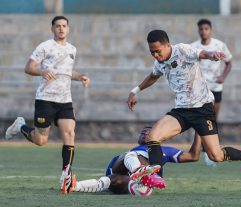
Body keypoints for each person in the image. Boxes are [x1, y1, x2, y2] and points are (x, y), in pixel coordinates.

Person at [127, 30, 241, 179]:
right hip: (182, 110)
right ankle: (156, 178)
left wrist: (213, 55)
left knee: (215, 155)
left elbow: (203, 54)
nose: (156, 56)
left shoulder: (183, 50)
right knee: (153, 136)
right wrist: (135, 91)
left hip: (202, 109)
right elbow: (153, 76)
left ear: (167, 45)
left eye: (158, 51)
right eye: (152, 53)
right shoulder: (159, 63)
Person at [5, 16, 90, 194]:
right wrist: (41, 71)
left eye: (64, 26)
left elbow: (67, 72)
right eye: (58, 26)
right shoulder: (45, 47)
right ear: (52, 29)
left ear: (68, 29)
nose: (61, 29)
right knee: (41, 140)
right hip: (45, 99)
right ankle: (21, 125)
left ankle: (66, 173)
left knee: (70, 133)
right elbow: (29, 67)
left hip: (65, 100)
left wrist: (80, 76)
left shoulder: (72, 49)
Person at [73, 127, 202, 195]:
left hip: (138, 186)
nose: (145, 132)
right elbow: (110, 178)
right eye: (142, 132)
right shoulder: (130, 152)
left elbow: (193, 156)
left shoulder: (165, 150)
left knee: (122, 171)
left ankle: (141, 178)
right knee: (114, 175)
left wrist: (199, 130)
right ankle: (74, 186)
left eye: (148, 131)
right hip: (127, 177)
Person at [191, 19, 233, 167]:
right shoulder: (193, 47)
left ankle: (211, 152)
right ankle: (203, 151)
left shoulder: (219, 45)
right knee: (202, 119)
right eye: (201, 29)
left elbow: (229, 62)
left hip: (216, 88)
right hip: (201, 90)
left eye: (206, 29)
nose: (203, 31)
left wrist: (223, 77)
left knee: (212, 120)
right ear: (198, 31)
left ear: (211, 30)